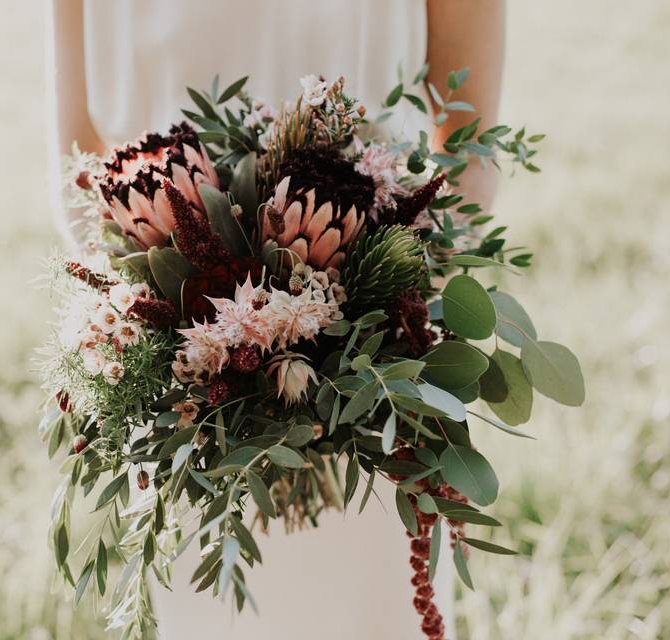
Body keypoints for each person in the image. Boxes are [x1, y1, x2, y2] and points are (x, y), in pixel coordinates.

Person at [47, 1, 504, 637]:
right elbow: (76, 162)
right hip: (183, 405)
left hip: (375, 382)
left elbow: (469, 144)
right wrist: (147, 327)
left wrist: (368, 304)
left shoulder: (372, 361)